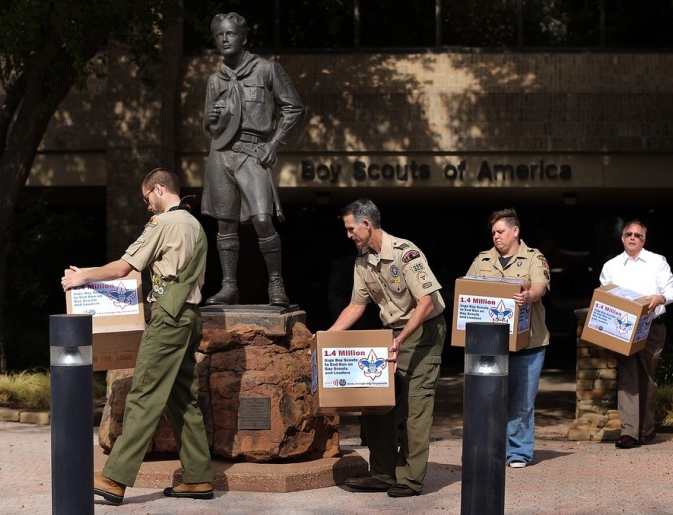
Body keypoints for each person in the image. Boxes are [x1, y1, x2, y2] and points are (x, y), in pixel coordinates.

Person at [61, 168, 214, 504]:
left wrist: (83, 276)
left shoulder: (165, 224)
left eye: (147, 198)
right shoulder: (196, 225)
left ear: (159, 189)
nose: (148, 206)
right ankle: (199, 477)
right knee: (182, 399)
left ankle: (114, 479)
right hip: (190, 318)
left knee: (143, 394)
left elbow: (124, 268)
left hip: (168, 318)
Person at [329, 199, 446, 497]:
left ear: (366, 225)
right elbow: (356, 306)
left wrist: (402, 337)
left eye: (350, 228)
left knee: (414, 406)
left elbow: (426, 302)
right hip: (392, 334)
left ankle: (409, 479)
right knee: (376, 402)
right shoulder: (362, 260)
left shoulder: (406, 253)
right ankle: (382, 472)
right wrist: (325, 340)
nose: (348, 235)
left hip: (422, 332)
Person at [201, 12, 304, 307]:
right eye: (219, 35)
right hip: (221, 155)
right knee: (225, 225)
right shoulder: (214, 79)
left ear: (243, 37)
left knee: (261, 218)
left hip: (252, 152)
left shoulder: (266, 69)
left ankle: (275, 283)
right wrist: (209, 119)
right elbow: (208, 127)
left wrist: (276, 143)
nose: (224, 39)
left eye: (230, 34)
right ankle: (229, 286)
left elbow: (294, 107)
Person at [465, 208, 550, 468]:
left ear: (515, 231)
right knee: (488, 399)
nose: (496, 237)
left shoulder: (534, 257)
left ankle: (518, 453)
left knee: (522, 401)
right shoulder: (482, 260)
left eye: (500, 231)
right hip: (491, 344)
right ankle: (490, 450)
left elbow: (540, 286)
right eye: (493, 232)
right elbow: (467, 289)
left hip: (529, 344)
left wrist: (528, 296)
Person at [599, 220, 673, 449]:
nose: (632, 238)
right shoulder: (611, 266)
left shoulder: (657, 262)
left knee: (646, 377)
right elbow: (606, 296)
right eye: (628, 234)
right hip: (622, 327)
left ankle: (646, 429)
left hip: (652, 326)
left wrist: (659, 298)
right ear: (622, 238)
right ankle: (629, 432)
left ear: (644, 240)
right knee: (627, 376)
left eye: (637, 235)